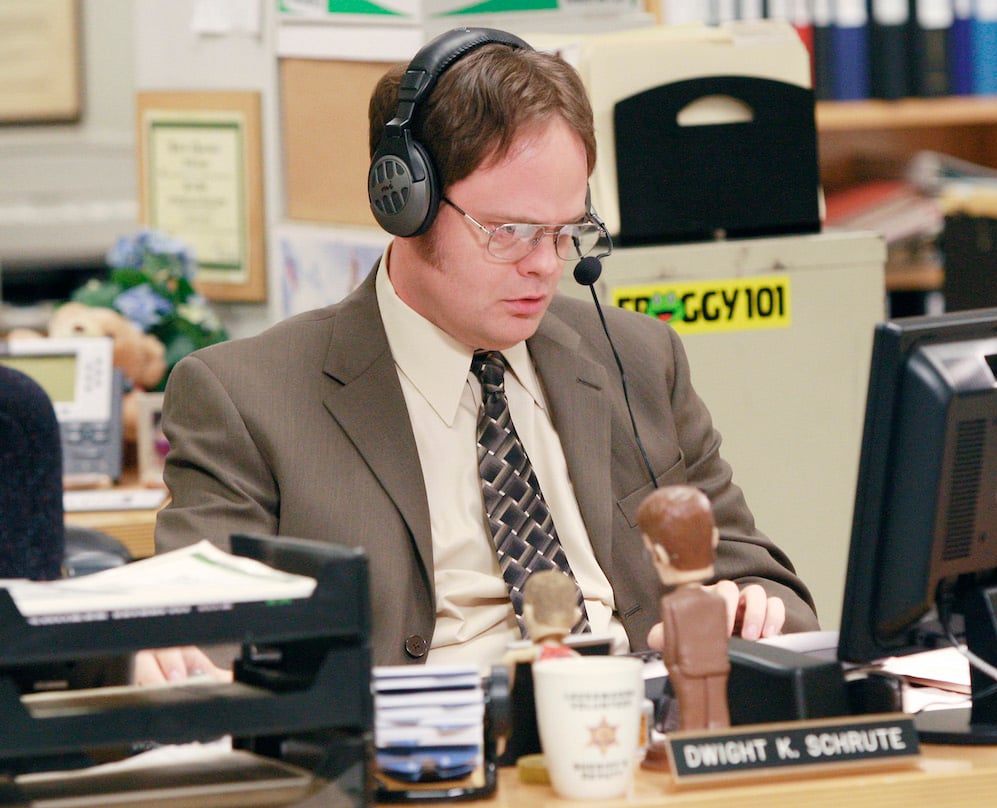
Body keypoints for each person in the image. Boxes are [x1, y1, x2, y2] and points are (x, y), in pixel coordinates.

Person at [137, 28, 818, 684]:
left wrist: (752, 610)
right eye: (510, 232)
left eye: (566, 231)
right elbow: (199, 645)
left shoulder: (638, 359)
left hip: (636, 742)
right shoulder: (245, 398)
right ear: (405, 203)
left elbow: (765, 583)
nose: (544, 266)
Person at [639, 485, 730, 733]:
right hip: (717, 668)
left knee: (692, 717)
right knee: (714, 712)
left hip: (687, 673)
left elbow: (673, 650)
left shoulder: (673, 605)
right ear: (713, 540)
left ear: (661, 555)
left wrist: (676, 668)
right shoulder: (717, 601)